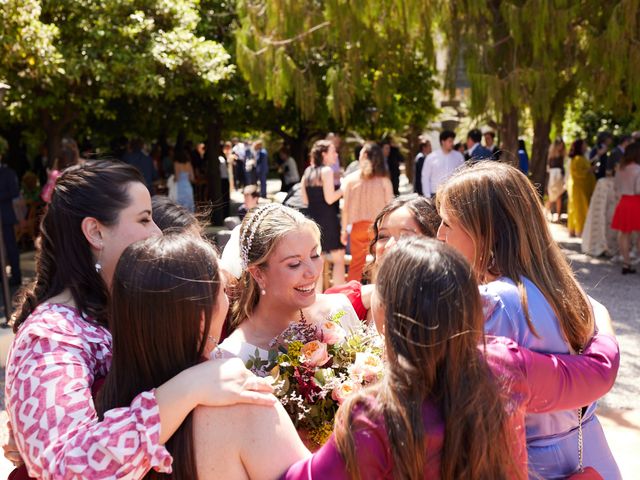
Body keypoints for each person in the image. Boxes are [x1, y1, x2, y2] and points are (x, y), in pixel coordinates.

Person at [4, 161, 275, 479]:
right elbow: (68, 467)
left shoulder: (113, 310)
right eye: (144, 219)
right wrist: (191, 387)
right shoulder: (51, 336)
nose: (158, 232)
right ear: (95, 231)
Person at [284, 237, 620, 480]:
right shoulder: (505, 364)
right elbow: (597, 374)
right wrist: (600, 318)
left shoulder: (374, 415)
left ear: (387, 312)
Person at [436, 162, 621, 478]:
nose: (439, 235)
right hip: (590, 453)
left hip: (534, 465)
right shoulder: (562, 287)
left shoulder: (497, 302)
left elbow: (468, 409)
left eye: (447, 223)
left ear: (484, 230)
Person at [96, 234, 310, 479]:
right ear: (200, 319)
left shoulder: (103, 410)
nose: (229, 301)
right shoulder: (243, 401)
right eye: (223, 292)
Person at [219, 204, 360, 362]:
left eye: (314, 255)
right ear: (258, 274)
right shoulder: (233, 357)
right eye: (294, 264)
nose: (312, 272)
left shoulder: (340, 309)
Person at [326, 194, 440, 324]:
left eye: (405, 237)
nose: (389, 245)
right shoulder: (354, 301)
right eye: (383, 236)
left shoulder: (444, 308)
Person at [341, 142, 393, 283]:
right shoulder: (384, 180)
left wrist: (344, 230)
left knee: (356, 265)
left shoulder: (350, 180)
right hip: (378, 228)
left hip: (357, 228)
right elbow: (390, 206)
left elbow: (345, 209)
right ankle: (378, 295)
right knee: (380, 263)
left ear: (364, 156)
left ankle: (352, 297)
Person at [301, 140, 345, 289]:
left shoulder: (307, 172)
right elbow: (330, 198)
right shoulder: (327, 171)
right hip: (328, 218)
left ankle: (317, 296)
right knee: (338, 258)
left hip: (312, 219)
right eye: (333, 151)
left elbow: (304, 199)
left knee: (317, 260)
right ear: (324, 154)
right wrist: (344, 188)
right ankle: (339, 297)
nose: (336, 154)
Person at [611, 142, 640, 274]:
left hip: (623, 202)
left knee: (623, 234)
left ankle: (626, 263)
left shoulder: (620, 168)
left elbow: (615, 187)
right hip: (636, 202)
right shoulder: (638, 169)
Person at [421, 130, 465, 199]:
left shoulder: (458, 156)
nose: (452, 143)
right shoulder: (431, 157)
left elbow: (463, 175)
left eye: (453, 141)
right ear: (443, 141)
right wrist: (427, 196)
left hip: (453, 194)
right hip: (435, 195)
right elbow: (425, 177)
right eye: (450, 141)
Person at [0, 146, 21, 286]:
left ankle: (16, 276)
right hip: (6, 213)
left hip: (6, 215)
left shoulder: (8, 173)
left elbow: (14, 192)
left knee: (11, 247)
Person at [568, 139, 597, 237]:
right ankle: (579, 231)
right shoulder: (577, 159)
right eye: (584, 144)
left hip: (584, 188)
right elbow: (578, 173)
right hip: (579, 188)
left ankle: (578, 230)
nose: (586, 146)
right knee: (579, 210)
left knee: (582, 209)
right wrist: (590, 170)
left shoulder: (582, 158)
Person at [545, 138, 566, 222]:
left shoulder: (562, 155)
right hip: (553, 177)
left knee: (559, 196)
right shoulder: (551, 155)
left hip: (559, 177)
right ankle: (545, 213)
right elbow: (549, 169)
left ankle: (558, 216)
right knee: (551, 196)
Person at [173, 148, 196, 212]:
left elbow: (177, 178)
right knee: (189, 208)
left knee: (180, 209)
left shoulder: (176, 163)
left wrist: (172, 179)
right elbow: (192, 178)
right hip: (188, 186)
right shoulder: (189, 164)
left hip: (180, 187)